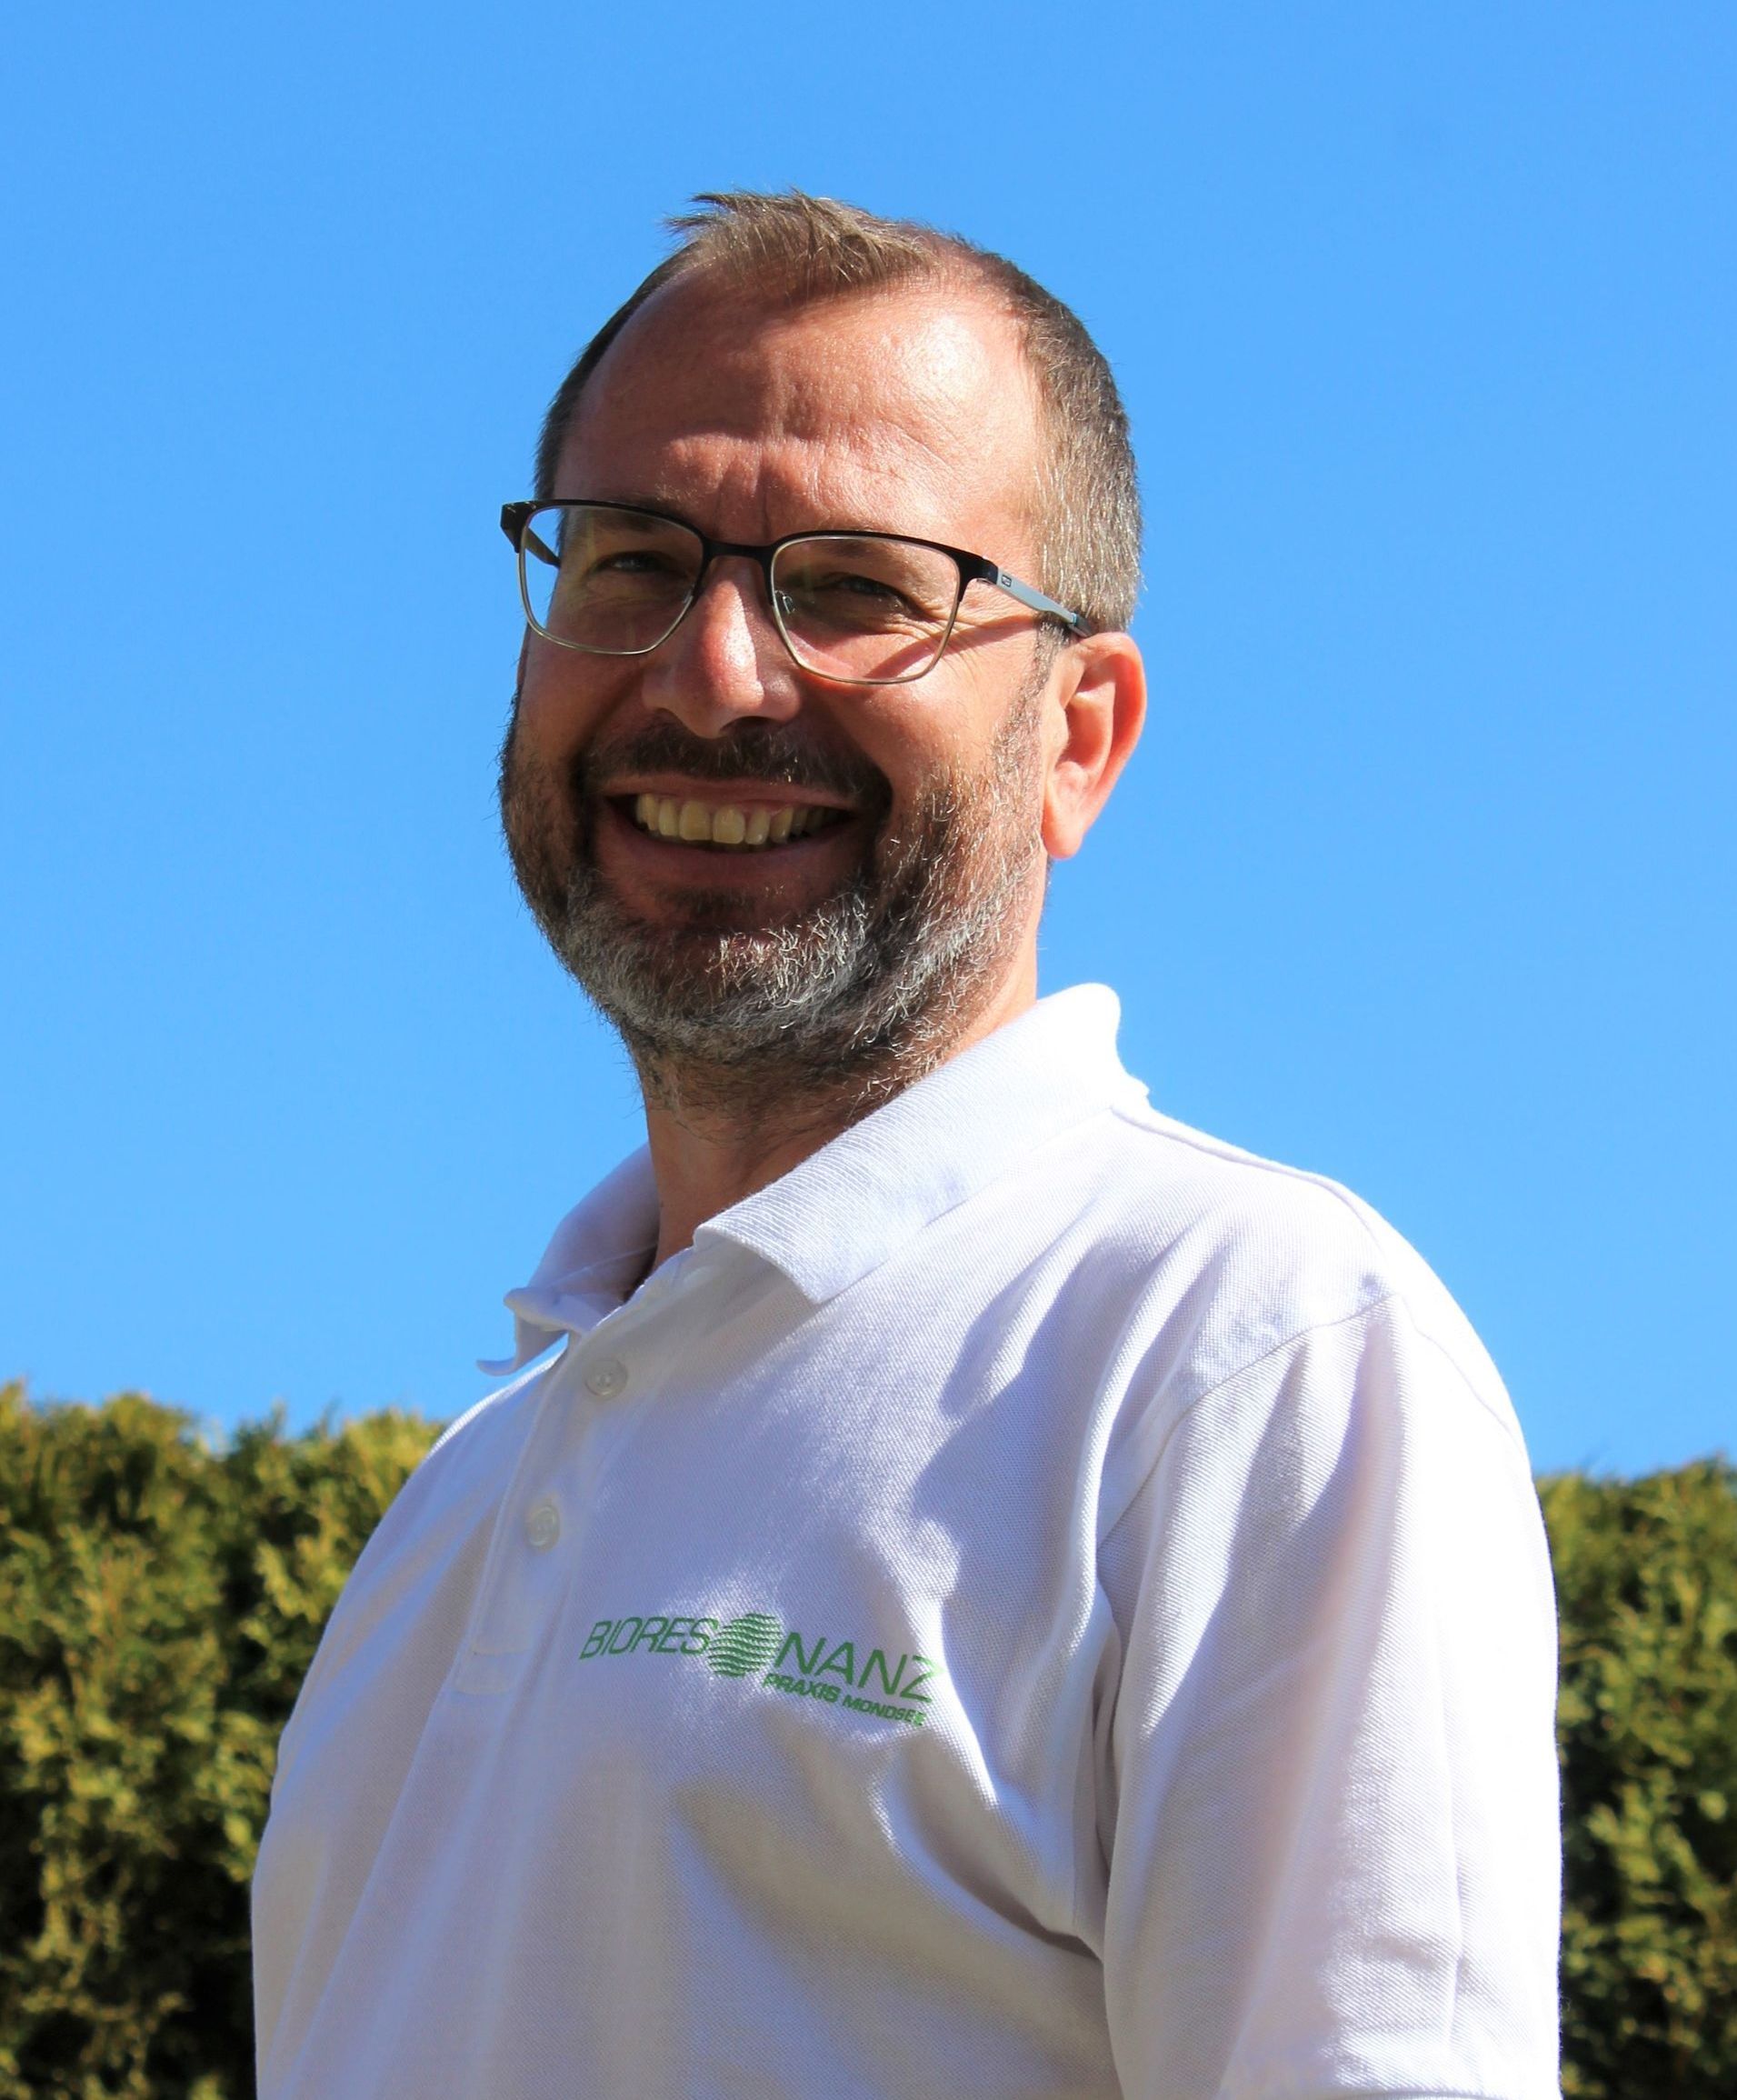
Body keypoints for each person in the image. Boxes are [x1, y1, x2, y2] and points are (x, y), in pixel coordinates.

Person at [252, 192, 1562, 2100]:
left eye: (858, 587)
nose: (710, 671)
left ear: (1077, 739)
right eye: (629, 561)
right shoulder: (451, 1514)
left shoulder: (1246, 1355)